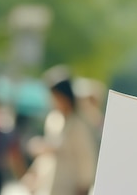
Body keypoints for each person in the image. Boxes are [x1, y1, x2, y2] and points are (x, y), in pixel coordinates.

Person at [21, 65, 97, 195]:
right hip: (49, 184)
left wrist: (83, 187)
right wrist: (33, 174)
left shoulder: (79, 125)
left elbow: (86, 159)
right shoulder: (53, 119)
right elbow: (48, 155)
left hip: (69, 187)